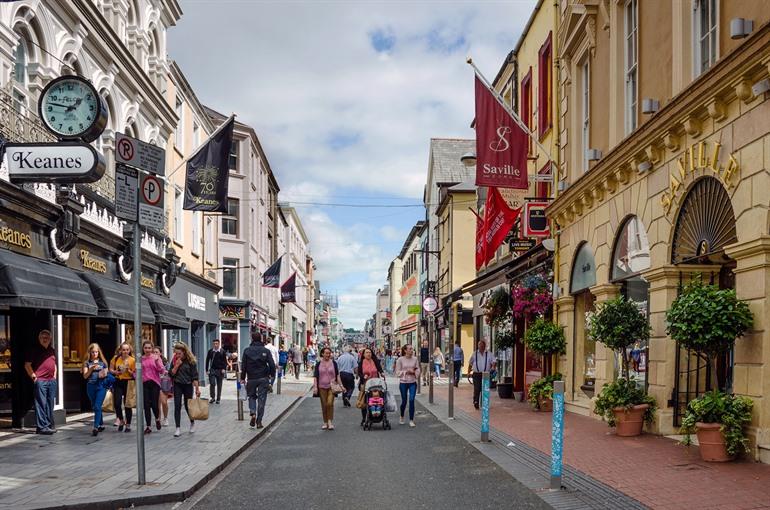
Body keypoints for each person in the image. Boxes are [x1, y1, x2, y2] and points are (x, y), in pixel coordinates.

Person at [24, 330, 57, 435]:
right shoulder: (34, 350)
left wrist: (55, 376)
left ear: (50, 339)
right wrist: (34, 377)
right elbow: (27, 365)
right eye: (42, 337)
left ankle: (48, 425)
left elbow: (54, 364)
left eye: (47, 337)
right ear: (39, 339)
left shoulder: (52, 350)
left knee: (49, 404)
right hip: (41, 381)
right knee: (41, 404)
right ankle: (42, 427)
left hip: (51, 381)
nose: (45, 339)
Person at [241, 334, 275, 429]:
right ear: (260, 339)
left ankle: (253, 412)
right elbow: (272, 364)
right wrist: (272, 376)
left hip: (251, 377)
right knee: (262, 399)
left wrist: (243, 377)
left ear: (252, 339)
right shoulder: (265, 351)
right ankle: (259, 421)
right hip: (263, 378)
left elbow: (243, 366)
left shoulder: (247, 351)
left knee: (251, 396)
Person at [169, 342, 201, 437]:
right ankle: (177, 428)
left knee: (188, 406)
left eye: (179, 353)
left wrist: (197, 389)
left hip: (187, 385)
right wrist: (176, 366)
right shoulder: (175, 360)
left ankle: (192, 422)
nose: (178, 355)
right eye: (176, 353)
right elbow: (171, 374)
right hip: (177, 385)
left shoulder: (191, 361)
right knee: (177, 405)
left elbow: (195, 376)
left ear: (184, 352)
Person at [82, 343, 109, 436]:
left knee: (97, 406)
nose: (94, 354)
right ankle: (101, 424)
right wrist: (91, 369)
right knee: (95, 406)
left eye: (96, 352)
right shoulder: (87, 363)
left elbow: (107, 374)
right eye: (93, 352)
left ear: (99, 352)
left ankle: (95, 427)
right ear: (90, 352)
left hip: (101, 386)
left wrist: (103, 373)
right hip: (91, 386)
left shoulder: (103, 363)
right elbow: (85, 376)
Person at [313, 346, 341, 430]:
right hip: (321, 386)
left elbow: (337, 375)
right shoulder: (318, 363)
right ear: (322, 354)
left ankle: (330, 421)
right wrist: (315, 387)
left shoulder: (334, 363)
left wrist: (341, 385)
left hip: (332, 387)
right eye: (326, 353)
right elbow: (315, 376)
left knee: (329, 403)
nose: (328, 355)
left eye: (329, 353)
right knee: (324, 405)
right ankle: (325, 422)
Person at [140, 340, 165, 434]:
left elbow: (162, 370)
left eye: (149, 348)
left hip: (155, 383)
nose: (147, 350)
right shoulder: (141, 359)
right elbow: (136, 371)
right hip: (145, 383)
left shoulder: (156, 357)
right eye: (145, 348)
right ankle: (148, 426)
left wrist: (157, 362)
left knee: (154, 404)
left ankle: (157, 419)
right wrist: (136, 376)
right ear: (143, 348)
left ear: (152, 348)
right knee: (146, 405)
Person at [109, 342, 135, 433]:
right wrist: (115, 372)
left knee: (128, 405)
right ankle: (121, 420)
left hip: (129, 382)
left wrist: (128, 370)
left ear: (129, 350)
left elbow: (135, 373)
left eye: (127, 350)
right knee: (117, 403)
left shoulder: (132, 360)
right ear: (120, 350)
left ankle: (128, 425)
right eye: (123, 350)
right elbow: (110, 369)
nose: (125, 351)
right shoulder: (116, 358)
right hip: (118, 381)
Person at [357, 347, 384, 427]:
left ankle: (377, 414)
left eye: (370, 352)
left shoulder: (375, 361)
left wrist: (382, 373)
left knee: (376, 399)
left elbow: (379, 369)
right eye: (367, 353)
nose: (368, 354)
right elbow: (359, 373)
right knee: (365, 401)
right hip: (365, 384)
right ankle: (364, 418)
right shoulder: (361, 362)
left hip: (376, 384)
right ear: (363, 354)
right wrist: (363, 376)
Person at [396, 344, 420, 427]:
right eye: (410, 349)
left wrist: (414, 372)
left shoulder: (415, 359)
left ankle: (411, 420)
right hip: (403, 382)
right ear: (405, 350)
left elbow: (418, 369)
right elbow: (397, 372)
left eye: (412, 349)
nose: (411, 350)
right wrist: (406, 372)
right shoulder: (400, 360)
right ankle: (402, 416)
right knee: (404, 401)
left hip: (412, 382)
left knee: (412, 400)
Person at [469, 340, 496, 410]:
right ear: (478, 346)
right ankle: (476, 401)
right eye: (479, 345)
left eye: (482, 346)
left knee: (485, 389)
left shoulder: (489, 354)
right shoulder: (474, 354)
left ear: (484, 346)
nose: (480, 347)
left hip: (485, 374)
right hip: (476, 374)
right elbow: (470, 362)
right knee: (477, 388)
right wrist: (469, 372)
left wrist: (493, 366)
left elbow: (494, 361)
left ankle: (485, 404)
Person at [154, 346, 172, 426]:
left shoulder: (165, 362)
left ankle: (165, 418)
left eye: (156, 352)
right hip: (155, 383)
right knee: (157, 403)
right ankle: (158, 419)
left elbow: (169, 371)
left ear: (160, 353)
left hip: (164, 383)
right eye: (153, 352)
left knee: (164, 402)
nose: (155, 354)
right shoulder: (151, 361)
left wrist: (164, 372)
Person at [205, 339, 227, 404]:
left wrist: (224, 369)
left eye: (216, 343)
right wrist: (206, 370)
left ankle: (218, 399)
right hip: (212, 370)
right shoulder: (211, 351)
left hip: (220, 370)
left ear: (219, 344)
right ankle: (212, 397)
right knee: (212, 383)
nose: (215, 345)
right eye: (214, 344)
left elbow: (225, 361)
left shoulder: (222, 351)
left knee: (219, 385)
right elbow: (207, 360)